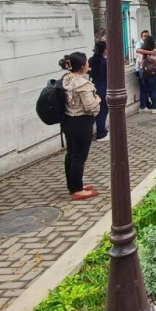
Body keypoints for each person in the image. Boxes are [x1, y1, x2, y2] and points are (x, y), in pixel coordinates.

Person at [59, 52, 101, 201]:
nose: (88, 65)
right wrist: (98, 99)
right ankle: (77, 190)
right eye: (87, 63)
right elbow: (91, 107)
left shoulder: (66, 80)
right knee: (79, 156)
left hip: (67, 121)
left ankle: (74, 185)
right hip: (81, 123)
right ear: (83, 66)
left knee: (71, 154)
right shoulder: (83, 84)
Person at [88, 41, 109, 141]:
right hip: (103, 87)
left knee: (96, 109)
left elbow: (89, 72)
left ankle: (100, 130)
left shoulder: (91, 60)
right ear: (104, 50)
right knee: (103, 110)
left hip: (93, 86)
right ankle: (101, 133)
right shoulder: (105, 62)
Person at [137, 35, 156, 112]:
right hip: (152, 73)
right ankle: (154, 108)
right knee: (154, 91)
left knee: (144, 90)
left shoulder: (141, 51)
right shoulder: (154, 51)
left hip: (143, 73)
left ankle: (142, 107)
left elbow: (139, 62)